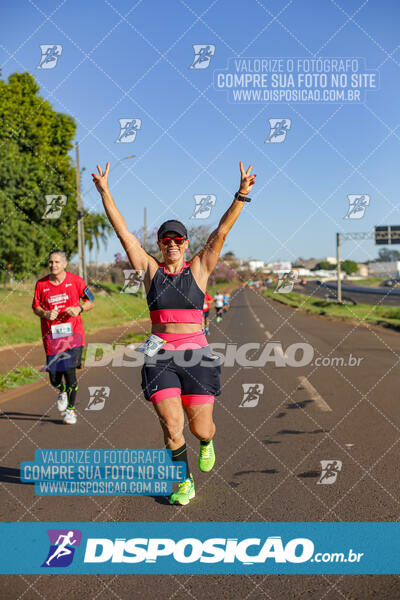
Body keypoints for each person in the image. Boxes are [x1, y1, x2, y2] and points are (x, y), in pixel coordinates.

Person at [92, 160, 256, 505]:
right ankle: (184, 482)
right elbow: (124, 233)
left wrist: (241, 195)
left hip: (197, 356)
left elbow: (221, 233)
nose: (172, 244)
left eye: (177, 239)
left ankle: (207, 444)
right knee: (171, 425)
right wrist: (106, 192)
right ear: (160, 243)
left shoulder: (199, 267)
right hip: (160, 356)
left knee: (201, 429)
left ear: (184, 243)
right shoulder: (150, 270)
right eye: (166, 239)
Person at [32, 250, 94, 424]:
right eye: (51, 262)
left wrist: (79, 309)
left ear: (65, 264)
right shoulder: (41, 284)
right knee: (54, 378)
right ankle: (62, 391)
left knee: (69, 372)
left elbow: (91, 300)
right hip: (52, 337)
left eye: (57, 262)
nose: (53, 265)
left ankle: (71, 411)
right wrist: (44, 313)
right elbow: (35, 307)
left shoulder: (76, 281)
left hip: (73, 334)